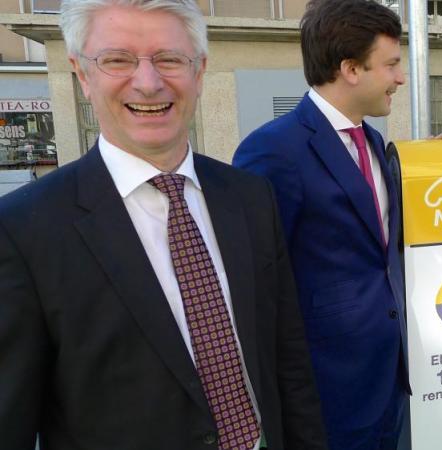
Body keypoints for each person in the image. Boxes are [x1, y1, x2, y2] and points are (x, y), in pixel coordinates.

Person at [0, 1, 326, 449]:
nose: (149, 83)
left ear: (199, 71)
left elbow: (288, 359)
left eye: (170, 59)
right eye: (118, 60)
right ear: (82, 74)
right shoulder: (22, 230)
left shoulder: (250, 196)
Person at [232, 0, 408, 448]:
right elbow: (257, 284)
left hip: (386, 378)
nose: (401, 78)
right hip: (325, 395)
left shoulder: (372, 139)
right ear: (350, 68)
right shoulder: (273, 150)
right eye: (391, 65)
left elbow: (377, 239)